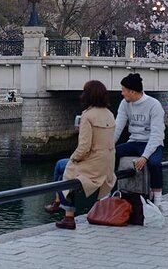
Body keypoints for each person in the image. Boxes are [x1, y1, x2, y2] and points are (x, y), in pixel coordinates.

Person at [43, 80, 116, 230]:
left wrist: (73, 159)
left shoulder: (87, 116)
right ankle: (59, 203)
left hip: (92, 166)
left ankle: (65, 212)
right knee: (66, 170)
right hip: (106, 164)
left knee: (62, 166)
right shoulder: (109, 114)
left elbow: (84, 147)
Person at [114, 73, 165, 209]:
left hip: (152, 143)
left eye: (123, 90)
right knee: (111, 154)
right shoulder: (125, 104)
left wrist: (144, 157)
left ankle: (157, 201)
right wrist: (108, 146)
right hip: (134, 142)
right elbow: (117, 127)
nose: (122, 93)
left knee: (154, 164)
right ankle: (110, 191)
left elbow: (156, 135)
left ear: (132, 91)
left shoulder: (154, 105)